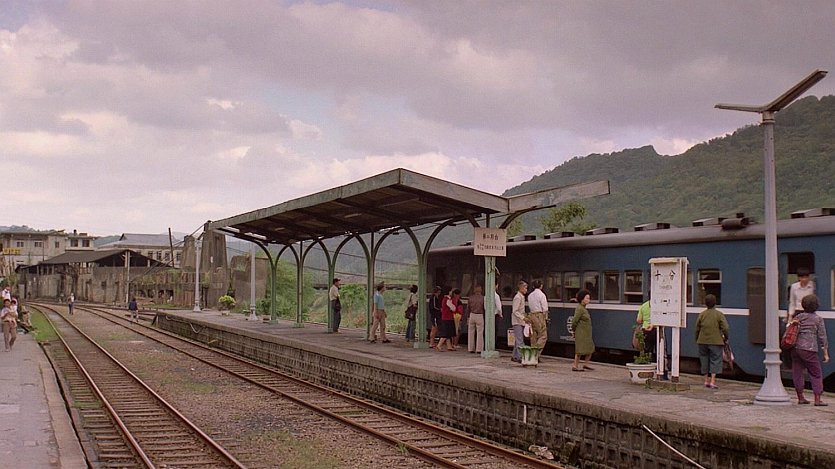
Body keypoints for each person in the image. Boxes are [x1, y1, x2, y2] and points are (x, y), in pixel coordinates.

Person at [790, 294, 829, 405]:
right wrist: (825, 353)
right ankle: (817, 398)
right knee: (816, 373)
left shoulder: (798, 317)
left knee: (797, 372)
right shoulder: (818, 319)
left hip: (796, 348)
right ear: (816, 306)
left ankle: (800, 397)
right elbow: (822, 336)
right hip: (809, 349)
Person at [695, 294, 729, 389]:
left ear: (706, 303)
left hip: (702, 341)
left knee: (704, 359)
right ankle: (713, 381)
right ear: (715, 303)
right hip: (716, 341)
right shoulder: (719, 314)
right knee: (715, 360)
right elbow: (725, 328)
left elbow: (697, 328)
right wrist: (725, 337)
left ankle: (706, 380)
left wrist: (697, 338)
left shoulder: (702, 314)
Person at [571, 289, 594, 371]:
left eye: (589, 298)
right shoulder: (579, 309)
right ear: (582, 299)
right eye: (587, 298)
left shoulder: (584, 309)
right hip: (581, 332)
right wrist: (574, 330)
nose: (588, 300)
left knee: (590, 348)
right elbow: (574, 320)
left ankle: (586, 364)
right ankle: (575, 365)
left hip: (586, 332)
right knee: (580, 350)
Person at [527, 279, 548, 358]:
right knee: (543, 335)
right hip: (539, 315)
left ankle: (533, 354)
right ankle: (536, 353)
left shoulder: (530, 295)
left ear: (533, 286)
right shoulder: (542, 295)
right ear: (541, 286)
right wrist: (545, 318)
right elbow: (545, 308)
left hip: (531, 314)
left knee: (534, 336)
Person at [511, 281, 528, 363]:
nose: (526, 290)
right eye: (525, 288)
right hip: (517, 321)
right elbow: (515, 310)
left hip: (520, 321)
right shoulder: (518, 297)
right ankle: (520, 356)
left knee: (518, 339)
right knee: (520, 340)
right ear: (521, 288)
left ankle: (514, 356)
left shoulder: (521, 297)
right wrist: (523, 318)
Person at [466, 285, 485, 353]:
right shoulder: (483, 298)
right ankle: (479, 349)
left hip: (472, 315)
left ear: (474, 290)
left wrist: (468, 317)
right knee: (480, 333)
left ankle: (470, 348)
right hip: (480, 315)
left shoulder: (471, 298)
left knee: (471, 332)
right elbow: (484, 308)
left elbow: (468, 308)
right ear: (481, 290)